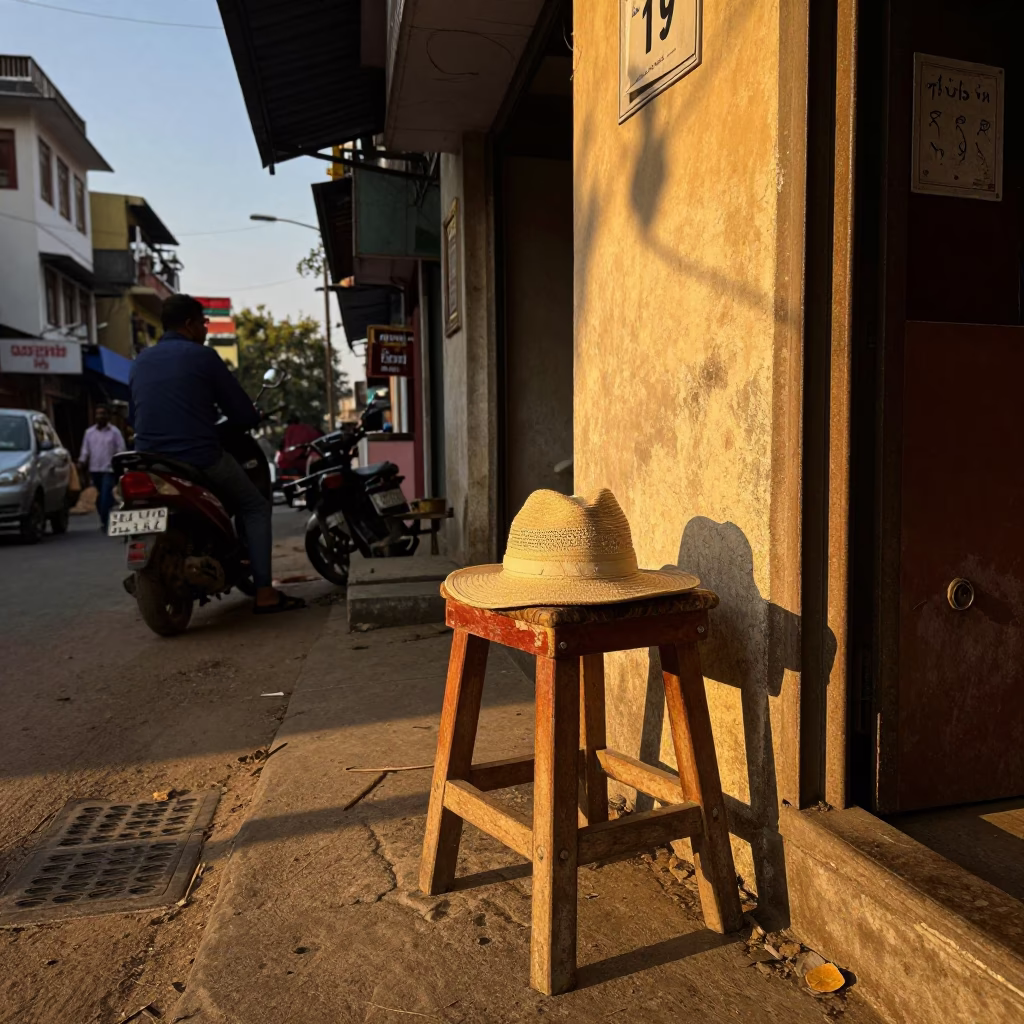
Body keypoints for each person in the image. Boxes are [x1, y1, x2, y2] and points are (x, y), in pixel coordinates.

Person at [129, 294, 304, 614]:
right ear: (190, 324)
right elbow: (242, 415)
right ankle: (265, 593)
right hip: (198, 457)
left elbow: (134, 417)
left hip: (149, 461)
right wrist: (246, 419)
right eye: (203, 323)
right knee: (254, 506)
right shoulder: (202, 356)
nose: (206, 330)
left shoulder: (140, 361)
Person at [78, 404, 126, 531]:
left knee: (105, 494)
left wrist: (119, 463)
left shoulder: (114, 432)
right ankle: (105, 514)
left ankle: (106, 522)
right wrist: (81, 462)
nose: (100, 416)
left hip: (109, 469)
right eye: (98, 414)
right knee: (101, 496)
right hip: (94, 469)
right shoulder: (89, 433)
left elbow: (121, 449)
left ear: (108, 416)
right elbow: (85, 450)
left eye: (103, 414)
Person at [278, 413, 322, 477]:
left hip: (293, 465)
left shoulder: (289, 431)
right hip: (311, 463)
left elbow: (284, 449)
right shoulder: (309, 428)